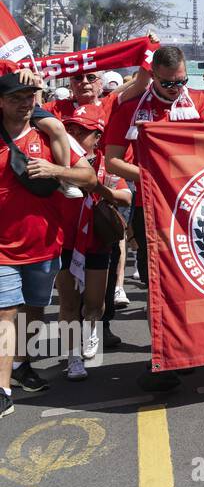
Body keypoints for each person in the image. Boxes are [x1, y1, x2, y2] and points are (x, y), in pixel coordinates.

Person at [103, 46, 204, 392]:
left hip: (200, 206)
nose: (176, 88)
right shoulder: (130, 108)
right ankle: (165, 354)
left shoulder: (201, 101)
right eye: (169, 83)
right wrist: (152, 174)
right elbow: (112, 161)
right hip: (151, 206)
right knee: (161, 284)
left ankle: (192, 348)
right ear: (152, 76)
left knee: (198, 279)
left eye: (181, 81)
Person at [1, 72, 97, 414]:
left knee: (33, 309)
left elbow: (88, 176)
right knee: (5, 311)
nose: (25, 103)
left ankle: (22, 364)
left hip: (44, 244)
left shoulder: (46, 133)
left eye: (29, 97)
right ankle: (2, 388)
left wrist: (56, 171)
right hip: (2, 249)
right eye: (16, 98)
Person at [53, 107, 131, 381]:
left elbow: (126, 197)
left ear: (97, 136)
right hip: (64, 243)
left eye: (81, 131)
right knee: (68, 302)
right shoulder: (55, 161)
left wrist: (95, 187)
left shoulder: (104, 163)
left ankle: (93, 329)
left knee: (94, 304)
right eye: (69, 129)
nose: (73, 134)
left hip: (96, 243)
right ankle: (73, 358)